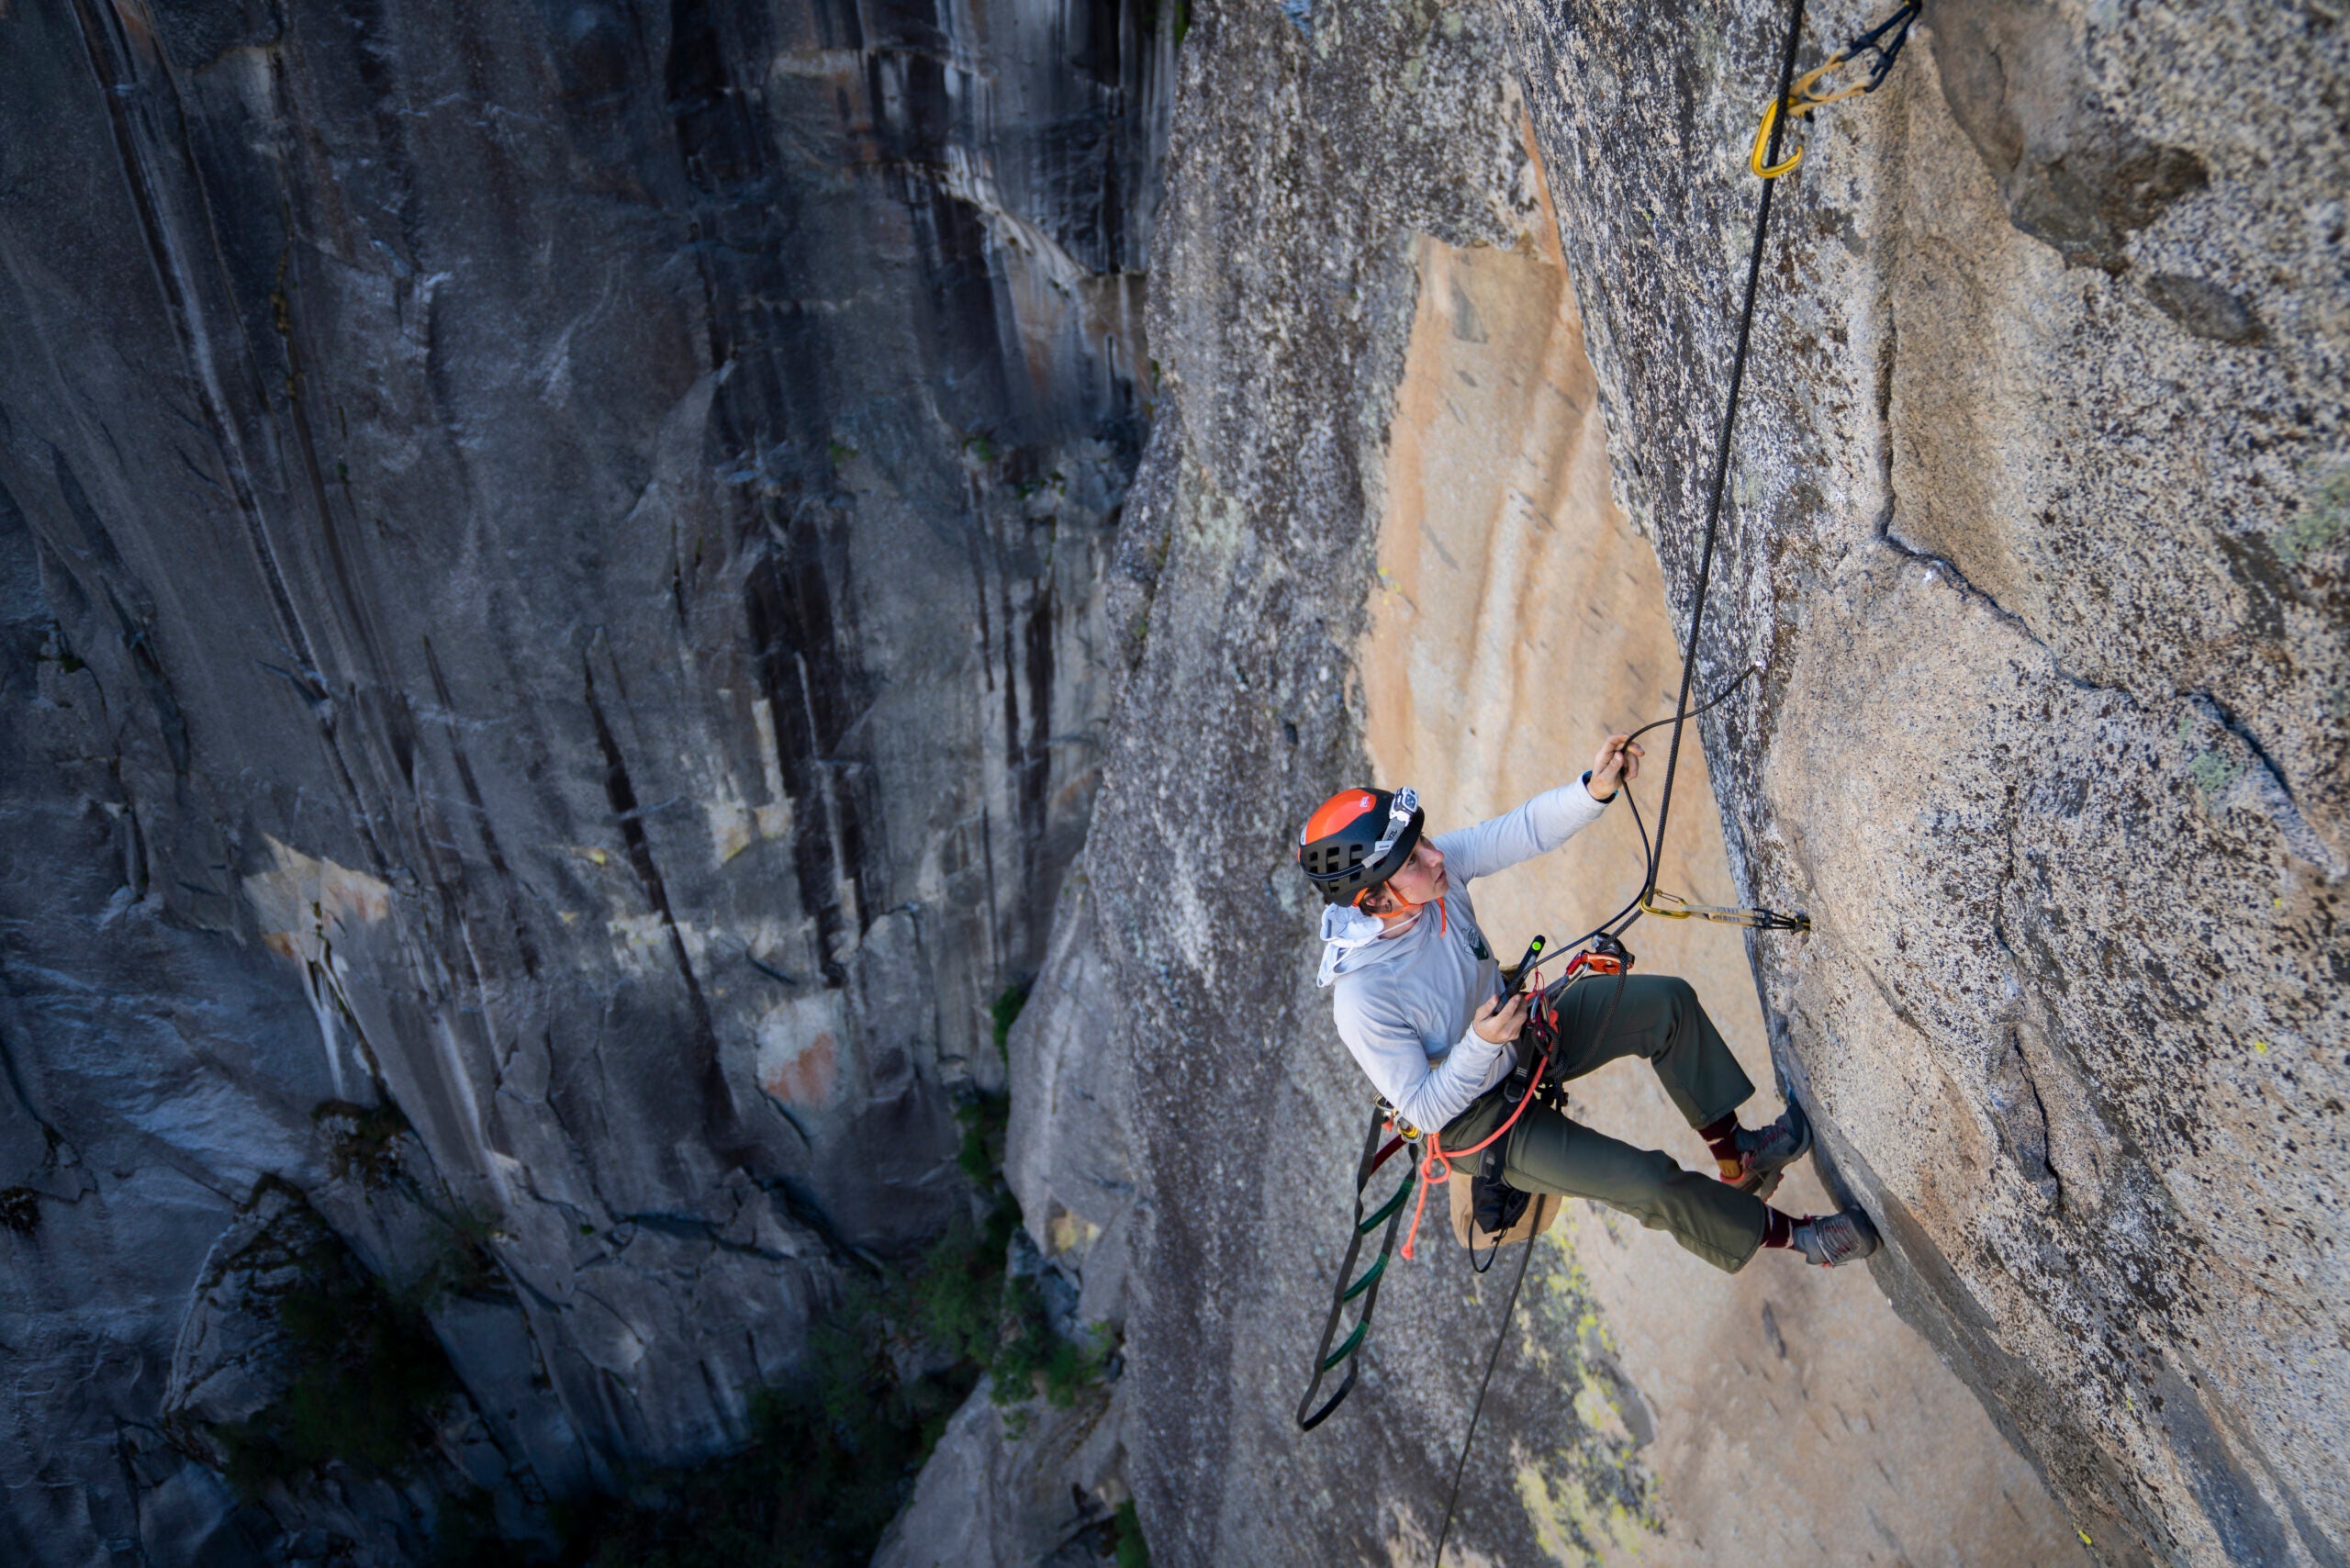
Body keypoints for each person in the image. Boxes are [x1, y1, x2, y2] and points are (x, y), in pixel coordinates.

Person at [1297, 736, 1880, 1271]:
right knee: (1645, 1180)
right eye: (1414, 862)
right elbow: (1424, 1111)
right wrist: (1480, 1045)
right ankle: (1805, 1239)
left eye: (1423, 841)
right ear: (1374, 900)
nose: (1435, 857)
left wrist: (1593, 790)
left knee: (1666, 1006)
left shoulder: (1430, 883)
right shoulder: (1363, 999)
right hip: (1481, 1117)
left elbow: (1520, 830)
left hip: (1519, 1033)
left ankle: (1739, 1158)